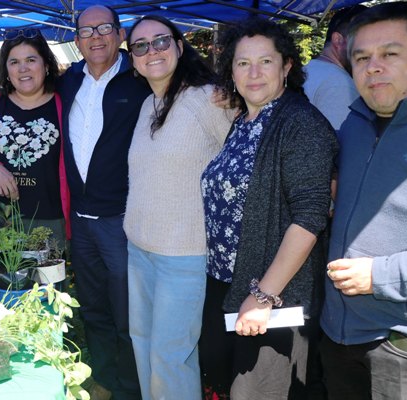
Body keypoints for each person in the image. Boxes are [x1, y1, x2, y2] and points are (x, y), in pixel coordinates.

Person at [199, 18, 336, 399]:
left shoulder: (301, 124)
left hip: (274, 297)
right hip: (227, 282)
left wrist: (262, 297)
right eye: (243, 63)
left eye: (266, 61)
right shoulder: (244, 120)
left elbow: (309, 217)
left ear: (287, 66)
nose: (254, 73)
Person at [321, 3, 407, 399]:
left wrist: (382, 275)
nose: (372, 67)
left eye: (389, 54)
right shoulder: (353, 125)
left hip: (406, 347)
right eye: (361, 57)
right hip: (338, 334)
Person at [122, 15, 234, 400]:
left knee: (171, 356)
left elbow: (247, 152)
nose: (151, 51)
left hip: (183, 254)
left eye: (161, 41)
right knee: (143, 342)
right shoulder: (147, 105)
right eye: (140, 46)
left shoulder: (208, 98)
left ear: (180, 46)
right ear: (132, 58)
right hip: (139, 249)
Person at [58, 5, 150, 399]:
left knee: (129, 315)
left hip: (123, 220)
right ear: (76, 40)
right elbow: (16, 89)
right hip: (80, 220)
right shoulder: (67, 80)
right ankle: (103, 381)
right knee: (92, 308)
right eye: (86, 31)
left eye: (104, 29)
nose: (95, 37)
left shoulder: (141, 76)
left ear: (120, 34)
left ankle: (131, 388)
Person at [0, 28, 70, 246]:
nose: (23, 68)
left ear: (46, 64)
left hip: (50, 222)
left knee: (48, 281)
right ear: (6, 69)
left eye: (31, 59)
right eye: (14, 62)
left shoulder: (65, 103)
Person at [303, 5, 368, 130]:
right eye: (361, 40)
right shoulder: (339, 84)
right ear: (338, 40)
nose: (367, 50)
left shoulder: (308, 70)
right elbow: (342, 146)